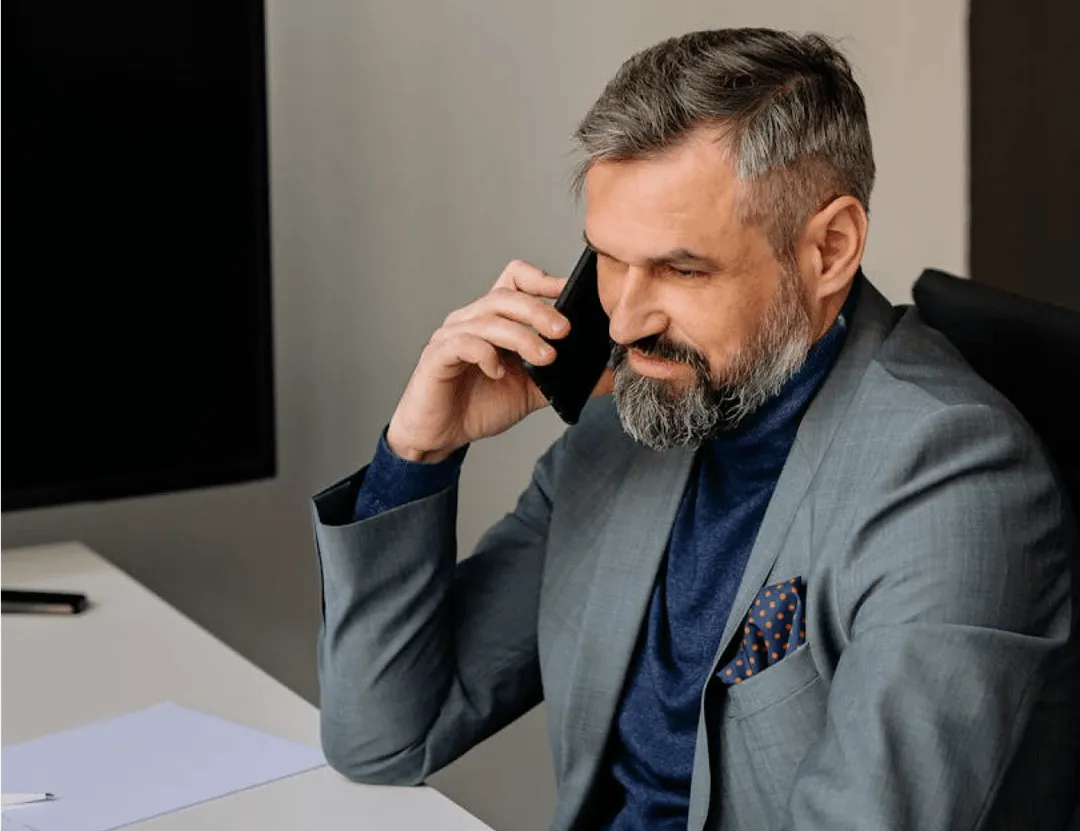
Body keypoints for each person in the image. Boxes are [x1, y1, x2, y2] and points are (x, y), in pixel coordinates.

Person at [311, 28, 1079, 831]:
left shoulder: (955, 482)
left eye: (681, 269)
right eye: (609, 259)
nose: (628, 319)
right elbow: (383, 737)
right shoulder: (634, 416)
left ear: (829, 249)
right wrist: (421, 451)